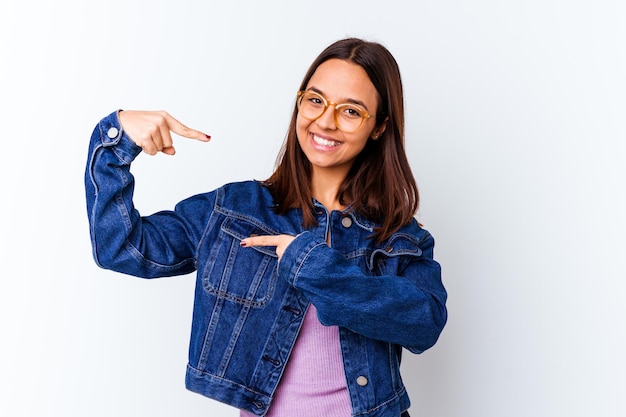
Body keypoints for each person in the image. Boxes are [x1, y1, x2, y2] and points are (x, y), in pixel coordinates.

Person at [85, 37, 447, 417]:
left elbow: (424, 325)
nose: (326, 120)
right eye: (315, 100)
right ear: (299, 101)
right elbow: (120, 249)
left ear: (379, 127)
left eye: (351, 111)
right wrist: (116, 141)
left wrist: (308, 262)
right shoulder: (233, 210)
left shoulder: (400, 237)